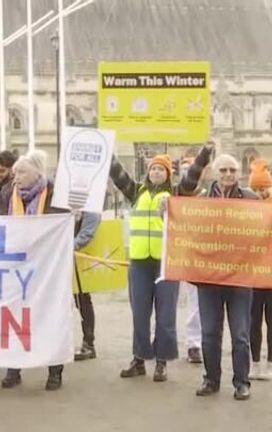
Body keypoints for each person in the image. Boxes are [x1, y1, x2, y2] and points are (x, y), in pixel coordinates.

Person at [180, 146, 256, 400]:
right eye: (223, 170)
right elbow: (186, 227)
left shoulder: (251, 200)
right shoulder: (201, 202)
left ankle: (241, 382)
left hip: (240, 279)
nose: (228, 174)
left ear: (240, 173)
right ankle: (211, 379)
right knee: (210, 333)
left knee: (241, 334)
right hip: (208, 279)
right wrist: (167, 214)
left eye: (233, 170)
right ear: (213, 172)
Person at [0, 150, 68, 391]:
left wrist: (72, 220)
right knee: (15, 318)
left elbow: (64, 226)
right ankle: (13, 369)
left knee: (49, 317)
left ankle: (54, 371)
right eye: (14, 173)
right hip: (18, 268)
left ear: (37, 173)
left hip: (48, 270)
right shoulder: (9, 194)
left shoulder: (55, 195)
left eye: (21, 172)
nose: (16, 177)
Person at [109, 152, 179, 382]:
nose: (156, 172)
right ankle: (138, 359)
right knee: (140, 313)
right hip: (139, 262)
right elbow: (118, 177)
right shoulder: (136, 191)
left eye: (161, 169)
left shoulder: (176, 195)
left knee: (165, 315)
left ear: (168, 174)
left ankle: (161, 362)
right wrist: (108, 154)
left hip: (166, 263)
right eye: (153, 168)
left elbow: (194, 179)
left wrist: (204, 155)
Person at [177, 157, 203, 364]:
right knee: (165, 302)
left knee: (195, 303)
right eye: (183, 170)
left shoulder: (206, 197)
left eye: (190, 170)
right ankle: (157, 339)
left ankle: (194, 344)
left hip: (197, 255)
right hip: (174, 254)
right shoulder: (172, 195)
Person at [248, 158, 272, 380]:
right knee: (253, 323)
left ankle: (270, 364)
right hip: (253, 277)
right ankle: (254, 363)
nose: (259, 193)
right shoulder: (246, 209)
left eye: (263, 188)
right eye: (255, 189)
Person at [73, 211, 102, 361]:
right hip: (66, 256)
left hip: (76, 259)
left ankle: (88, 344)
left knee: (82, 301)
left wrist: (70, 245)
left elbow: (88, 231)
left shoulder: (90, 206)